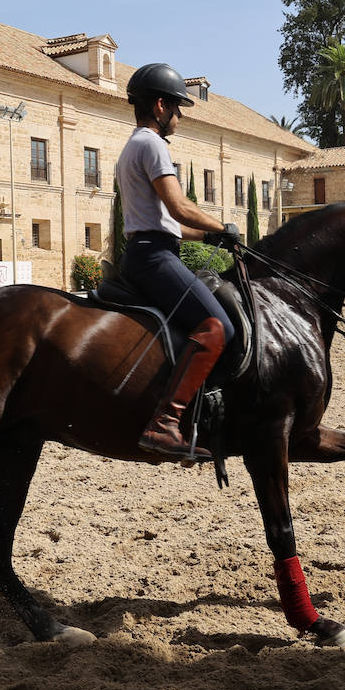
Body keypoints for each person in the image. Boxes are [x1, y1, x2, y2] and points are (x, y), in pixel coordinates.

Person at [116, 63, 239, 460]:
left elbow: (170, 222)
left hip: (149, 247)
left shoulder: (133, 146)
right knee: (215, 326)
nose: (180, 117)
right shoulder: (152, 145)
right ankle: (165, 422)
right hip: (153, 256)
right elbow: (180, 206)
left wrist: (211, 236)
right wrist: (225, 226)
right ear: (159, 105)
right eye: (177, 108)